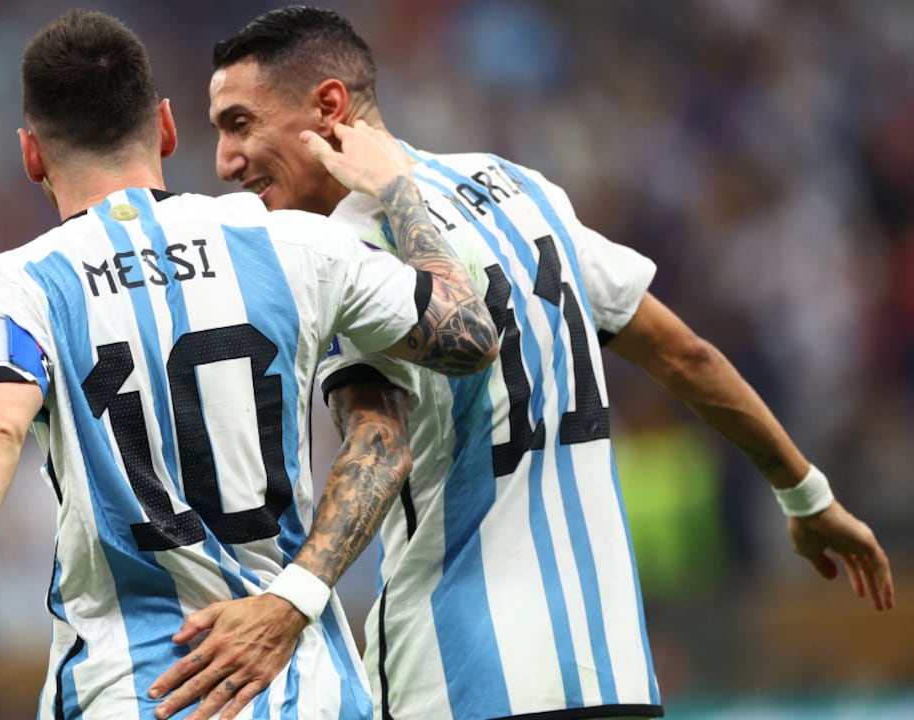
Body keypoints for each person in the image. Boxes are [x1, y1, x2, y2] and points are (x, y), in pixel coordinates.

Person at [148, 6, 897, 720]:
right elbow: (683, 352)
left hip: (459, 675)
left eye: (239, 125)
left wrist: (290, 602)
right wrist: (806, 494)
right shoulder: (520, 187)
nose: (224, 161)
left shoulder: (339, 250)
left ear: (329, 106)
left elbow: (380, 444)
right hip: (610, 671)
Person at [0, 9, 500, 720]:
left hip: (133, 692)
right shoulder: (292, 245)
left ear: (31, 155)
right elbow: (471, 332)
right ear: (166, 127)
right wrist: (399, 189)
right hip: (304, 689)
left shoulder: (22, 284)